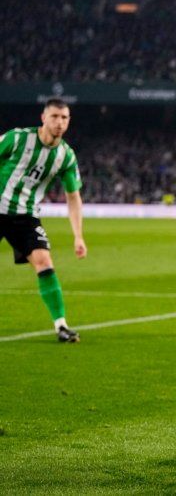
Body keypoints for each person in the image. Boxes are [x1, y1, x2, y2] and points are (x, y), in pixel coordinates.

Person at [0, 98, 87, 342]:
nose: (59, 122)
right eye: (55, 117)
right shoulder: (17, 139)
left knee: (44, 262)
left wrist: (78, 236)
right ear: (43, 118)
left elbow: (73, 197)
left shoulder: (65, 156)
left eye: (65, 118)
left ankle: (61, 325)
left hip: (25, 215)